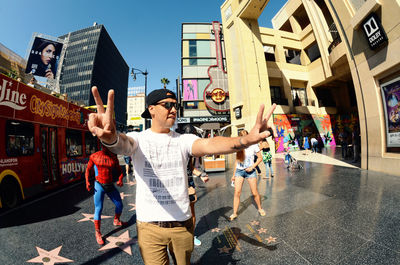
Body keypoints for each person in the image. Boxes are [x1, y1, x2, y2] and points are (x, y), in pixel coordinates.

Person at [87, 86, 277, 265]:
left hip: (182, 226)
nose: (173, 109)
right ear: (151, 109)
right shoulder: (138, 139)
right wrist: (110, 138)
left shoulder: (184, 140)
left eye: (175, 105)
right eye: (167, 104)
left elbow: (209, 145)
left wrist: (245, 140)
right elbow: (122, 144)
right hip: (149, 228)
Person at [85, 145, 127, 245]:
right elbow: (87, 170)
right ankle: (97, 232)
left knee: (119, 205)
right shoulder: (94, 156)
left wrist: (120, 179)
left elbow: (120, 171)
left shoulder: (113, 157)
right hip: (98, 184)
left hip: (109, 185)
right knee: (98, 208)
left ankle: (116, 220)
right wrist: (87, 181)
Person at [229, 130, 266, 221]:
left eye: (246, 136)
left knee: (254, 192)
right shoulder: (238, 146)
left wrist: (252, 167)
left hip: (250, 171)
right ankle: (234, 213)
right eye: (242, 137)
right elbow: (237, 161)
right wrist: (233, 175)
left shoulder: (253, 145)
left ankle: (260, 208)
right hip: (239, 171)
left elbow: (260, 158)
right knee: (237, 192)